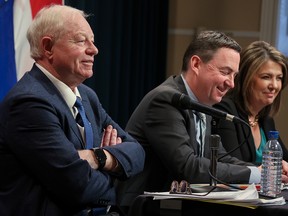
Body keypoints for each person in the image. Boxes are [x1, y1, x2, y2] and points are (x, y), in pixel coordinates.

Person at [115, 31, 288, 214]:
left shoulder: (201, 101)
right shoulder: (165, 99)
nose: (231, 84)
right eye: (225, 72)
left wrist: (267, 170)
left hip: (178, 205)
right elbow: (188, 167)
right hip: (145, 207)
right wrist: (259, 175)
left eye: (234, 75)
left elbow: (220, 157)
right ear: (196, 64)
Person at [0, 4, 145, 216]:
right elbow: (78, 186)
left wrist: (99, 158)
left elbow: (137, 151)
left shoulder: (87, 97)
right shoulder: (28, 102)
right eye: (80, 40)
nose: (94, 49)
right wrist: (118, 174)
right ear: (48, 47)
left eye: (93, 41)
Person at [213, 40, 288, 165]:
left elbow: (285, 158)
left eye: (279, 78)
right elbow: (232, 165)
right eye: (266, 77)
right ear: (246, 78)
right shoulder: (225, 110)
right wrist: (275, 166)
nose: (274, 85)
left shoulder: (266, 119)